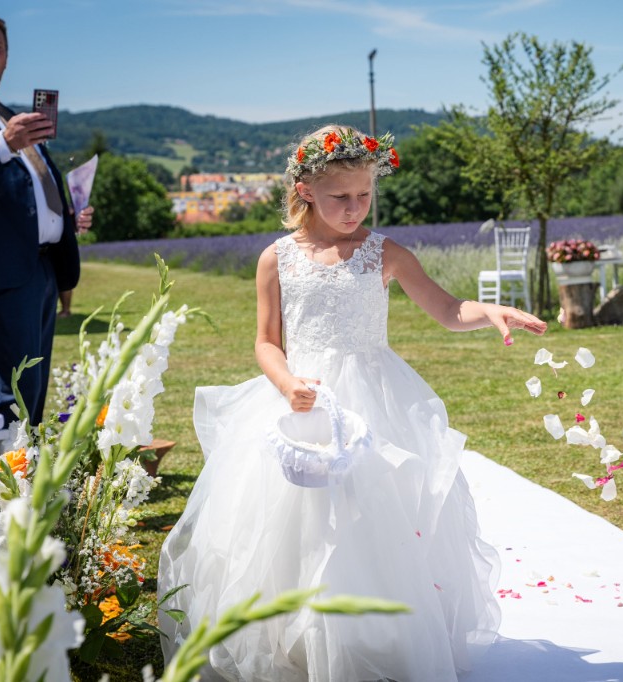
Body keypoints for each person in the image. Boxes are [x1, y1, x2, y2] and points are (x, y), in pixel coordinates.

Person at [157, 125, 547, 680]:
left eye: (365, 195)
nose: (355, 207)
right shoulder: (276, 259)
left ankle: (373, 639)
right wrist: (287, 384)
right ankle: (296, 640)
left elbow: (445, 309)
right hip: (301, 401)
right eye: (341, 196)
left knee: (370, 520)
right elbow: (267, 340)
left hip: (374, 401)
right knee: (294, 523)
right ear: (307, 190)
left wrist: (487, 312)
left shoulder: (383, 253)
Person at [0, 13, 93, 457]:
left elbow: (25, 188)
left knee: (33, 393)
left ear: (6, 59)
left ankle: (18, 490)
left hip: (41, 269)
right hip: (1, 273)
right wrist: (3, 143)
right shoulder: (7, 128)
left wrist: (65, 215)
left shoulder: (10, 115)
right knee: (12, 396)